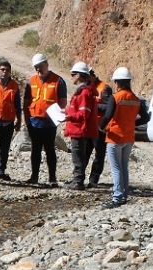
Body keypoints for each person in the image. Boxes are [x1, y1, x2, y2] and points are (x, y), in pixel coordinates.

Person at [98, 67, 150, 209]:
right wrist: (132, 123)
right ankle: (124, 195)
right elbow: (146, 118)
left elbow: (107, 116)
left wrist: (100, 127)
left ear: (117, 82)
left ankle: (117, 197)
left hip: (114, 137)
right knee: (123, 167)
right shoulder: (136, 99)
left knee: (116, 168)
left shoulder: (115, 98)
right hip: (129, 137)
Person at [23, 53, 67, 186]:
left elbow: (63, 103)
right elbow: (26, 102)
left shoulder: (58, 81)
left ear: (46, 64)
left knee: (50, 150)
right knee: (35, 150)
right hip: (34, 122)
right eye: (36, 67)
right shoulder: (31, 81)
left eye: (40, 66)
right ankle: (34, 177)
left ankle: (52, 178)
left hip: (49, 123)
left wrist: (56, 118)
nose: (38, 69)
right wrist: (26, 121)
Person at [62, 61, 98, 190]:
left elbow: (83, 114)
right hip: (78, 129)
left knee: (78, 157)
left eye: (73, 74)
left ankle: (78, 181)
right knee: (79, 156)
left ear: (79, 75)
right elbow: (77, 110)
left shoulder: (84, 93)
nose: (71, 77)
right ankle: (77, 179)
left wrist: (69, 117)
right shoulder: (83, 92)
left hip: (79, 130)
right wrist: (66, 112)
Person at [85, 68, 113, 188]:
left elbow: (109, 107)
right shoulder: (85, 87)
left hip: (99, 127)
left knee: (99, 154)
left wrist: (93, 106)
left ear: (92, 75)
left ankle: (93, 180)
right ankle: (79, 178)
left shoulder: (104, 88)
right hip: (87, 126)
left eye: (86, 76)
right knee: (84, 153)